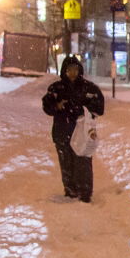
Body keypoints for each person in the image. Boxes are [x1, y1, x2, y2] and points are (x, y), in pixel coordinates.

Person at [41, 55, 104, 203]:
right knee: (66, 163)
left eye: (75, 69)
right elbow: (47, 106)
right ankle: (70, 191)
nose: (72, 73)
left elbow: (99, 108)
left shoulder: (89, 88)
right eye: (69, 70)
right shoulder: (57, 88)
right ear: (64, 71)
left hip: (83, 134)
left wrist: (86, 107)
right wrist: (57, 106)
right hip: (62, 132)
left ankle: (85, 193)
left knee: (83, 162)